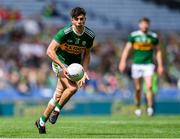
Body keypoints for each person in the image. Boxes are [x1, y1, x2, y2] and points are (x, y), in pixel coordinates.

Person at [35, 7, 95, 134]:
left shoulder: (89, 35)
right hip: (60, 64)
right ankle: (56, 111)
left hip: (74, 67)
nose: (80, 21)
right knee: (72, 88)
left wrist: (84, 71)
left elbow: (87, 55)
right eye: (77, 19)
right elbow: (49, 51)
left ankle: (41, 122)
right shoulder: (64, 32)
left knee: (57, 96)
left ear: (85, 19)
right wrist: (63, 67)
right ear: (72, 20)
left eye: (82, 19)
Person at [119, 17, 163, 117]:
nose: (145, 26)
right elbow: (127, 49)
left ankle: (150, 108)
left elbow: (158, 51)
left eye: (146, 24)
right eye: (143, 24)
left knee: (149, 86)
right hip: (137, 64)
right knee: (138, 88)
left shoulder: (153, 36)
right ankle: (138, 106)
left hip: (148, 64)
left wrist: (160, 65)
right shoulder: (134, 36)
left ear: (149, 25)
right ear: (140, 25)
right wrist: (122, 62)